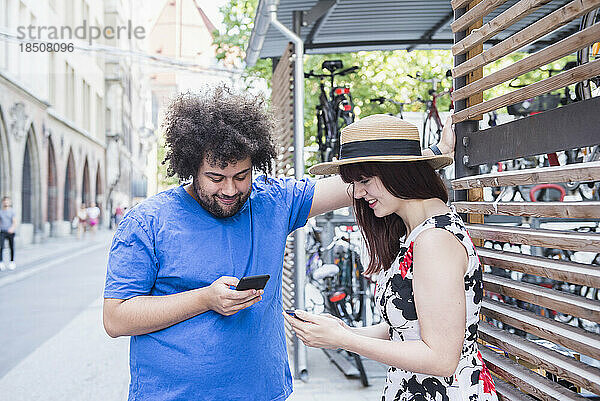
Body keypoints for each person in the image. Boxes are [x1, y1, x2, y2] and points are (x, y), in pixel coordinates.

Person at [102, 87, 455, 401]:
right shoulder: (146, 222)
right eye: (215, 177)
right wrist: (204, 298)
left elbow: (364, 182)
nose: (229, 189)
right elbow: (116, 319)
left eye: (241, 176)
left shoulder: (272, 200)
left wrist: (430, 155)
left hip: (264, 392)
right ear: (190, 167)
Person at [284, 114, 497, 401]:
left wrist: (344, 340)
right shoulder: (415, 231)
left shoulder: (434, 240)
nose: (357, 193)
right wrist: (343, 332)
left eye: (364, 181)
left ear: (398, 173)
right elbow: (404, 328)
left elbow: (441, 358)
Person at [0, 196, 17, 271]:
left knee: (11, 247)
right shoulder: (0, 211)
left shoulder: (12, 211)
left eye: (7, 201)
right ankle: (1, 262)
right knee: (1, 247)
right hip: (3, 231)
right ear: (2, 202)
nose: (5, 202)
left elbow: (14, 222)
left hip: (10, 231)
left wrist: (12, 228)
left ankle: (12, 261)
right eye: (4, 201)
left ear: (9, 202)